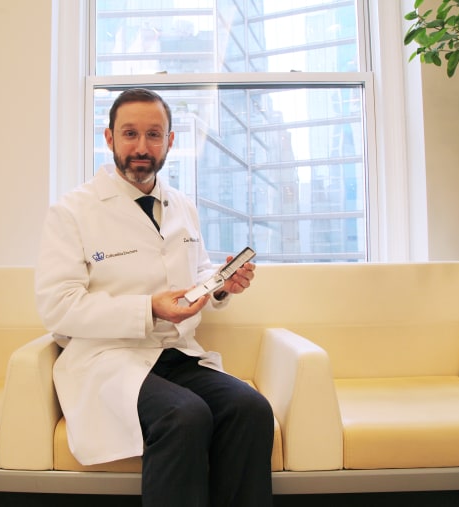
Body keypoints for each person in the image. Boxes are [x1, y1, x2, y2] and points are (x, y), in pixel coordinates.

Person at [35, 88, 274, 507]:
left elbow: (196, 271)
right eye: (129, 134)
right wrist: (148, 308)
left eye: (153, 134)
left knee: (251, 408)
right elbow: (58, 306)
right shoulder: (72, 212)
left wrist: (220, 284)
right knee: (184, 415)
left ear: (170, 141)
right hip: (108, 358)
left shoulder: (182, 205)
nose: (141, 147)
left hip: (174, 353)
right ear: (109, 138)